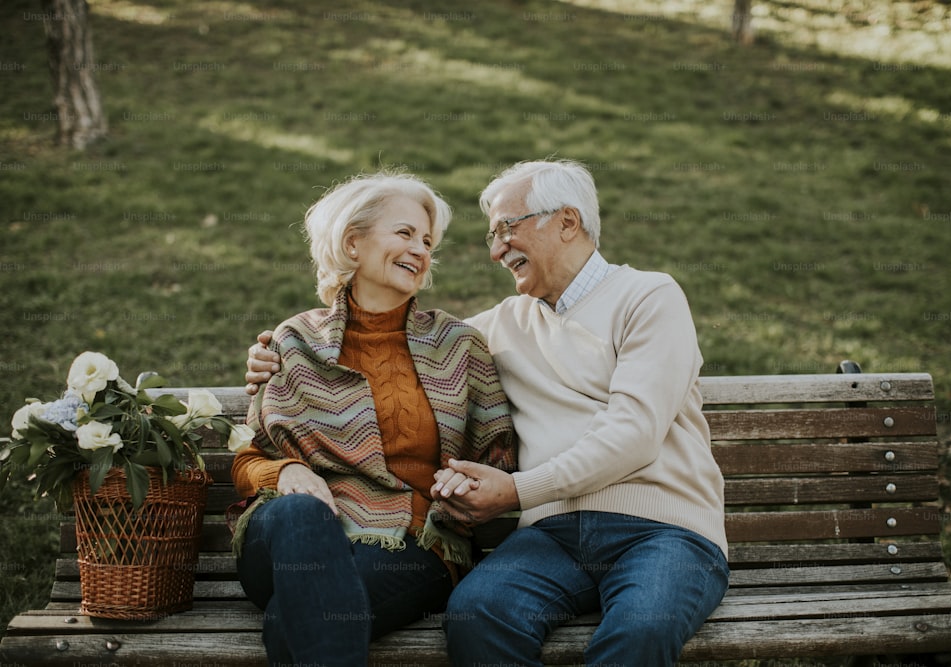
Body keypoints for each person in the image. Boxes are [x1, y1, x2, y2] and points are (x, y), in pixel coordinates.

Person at [246, 159, 728, 667]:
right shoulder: (499, 326)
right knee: (477, 616)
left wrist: (517, 491)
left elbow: (635, 432)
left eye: (506, 229)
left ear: (567, 222)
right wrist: (272, 354)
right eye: (491, 235)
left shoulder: (649, 297)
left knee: (640, 631)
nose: (495, 250)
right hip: (554, 537)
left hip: (663, 530)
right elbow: (392, 341)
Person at [232, 172, 516, 667]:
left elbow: (498, 458)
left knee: (289, 623)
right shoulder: (295, 339)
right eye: (404, 233)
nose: (420, 249)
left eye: (427, 241)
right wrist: (285, 472)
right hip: (287, 536)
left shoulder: (458, 344)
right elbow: (249, 455)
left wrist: (465, 486)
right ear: (353, 243)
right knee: (303, 513)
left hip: (411, 542)